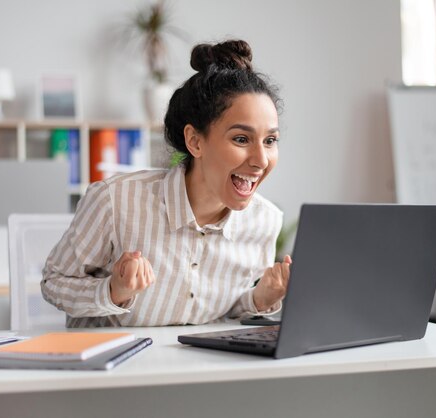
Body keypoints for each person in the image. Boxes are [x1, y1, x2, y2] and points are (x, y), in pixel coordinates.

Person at [41, 39, 291, 327]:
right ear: (195, 141)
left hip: (198, 368)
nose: (261, 160)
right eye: (241, 139)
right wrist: (114, 291)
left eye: (270, 140)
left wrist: (260, 298)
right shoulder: (115, 200)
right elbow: (54, 283)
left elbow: (225, 311)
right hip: (112, 369)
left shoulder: (265, 222)